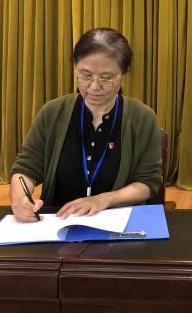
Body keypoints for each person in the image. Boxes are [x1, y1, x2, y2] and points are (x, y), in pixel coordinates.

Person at [10, 28, 162, 221]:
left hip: (118, 224)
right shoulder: (52, 113)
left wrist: (105, 199)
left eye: (106, 77)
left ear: (123, 73)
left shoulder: (142, 117)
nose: (94, 86)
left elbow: (148, 182)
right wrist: (20, 199)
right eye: (85, 75)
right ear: (75, 68)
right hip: (58, 222)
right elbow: (26, 168)